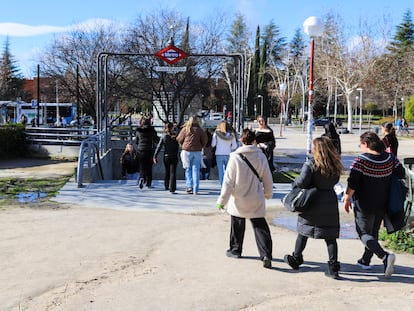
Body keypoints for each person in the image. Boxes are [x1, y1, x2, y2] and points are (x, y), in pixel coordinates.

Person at [343, 131, 405, 278]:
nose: (360, 147)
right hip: (383, 203)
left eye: (361, 144)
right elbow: (401, 172)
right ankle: (365, 260)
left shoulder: (361, 160)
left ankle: (384, 256)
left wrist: (347, 198)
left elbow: (353, 182)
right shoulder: (390, 158)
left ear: (366, 144)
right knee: (374, 232)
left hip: (364, 204)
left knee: (363, 234)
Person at [284, 136, 344, 279]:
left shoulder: (311, 164)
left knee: (303, 230)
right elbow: (335, 180)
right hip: (329, 200)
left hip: (311, 199)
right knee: (330, 235)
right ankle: (333, 267)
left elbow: (303, 182)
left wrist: (295, 183)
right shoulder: (335, 164)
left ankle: (296, 258)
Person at [216, 128, 274, 269]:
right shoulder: (261, 157)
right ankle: (266, 254)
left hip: (239, 197)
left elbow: (228, 182)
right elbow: (267, 178)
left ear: (241, 140)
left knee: (237, 223)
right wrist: (268, 193)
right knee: (260, 226)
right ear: (255, 141)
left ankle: (235, 250)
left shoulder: (235, 157)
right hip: (256, 196)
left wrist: (221, 201)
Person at [176, 116, 208, 195]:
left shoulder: (185, 129)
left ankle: (189, 186)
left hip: (187, 151)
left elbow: (178, 138)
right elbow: (205, 140)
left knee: (188, 169)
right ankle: (196, 189)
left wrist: (182, 144)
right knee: (196, 170)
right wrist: (201, 146)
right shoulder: (200, 130)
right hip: (197, 151)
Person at [153, 122, 179, 194]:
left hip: (166, 156)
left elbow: (159, 146)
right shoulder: (175, 136)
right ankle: (172, 188)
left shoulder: (164, 136)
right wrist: (176, 128)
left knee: (167, 171)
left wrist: (155, 155)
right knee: (173, 172)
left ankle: (166, 185)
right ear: (172, 128)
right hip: (174, 156)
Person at [135, 117, 159, 189]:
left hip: (140, 150)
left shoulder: (138, 131)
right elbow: (156, 139)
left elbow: (136, 141)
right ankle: (148, 183)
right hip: (149, 150)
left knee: (142, 166)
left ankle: (142, 178)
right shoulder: (152, 130)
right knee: (149, 167)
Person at [211, 121, 238, 185]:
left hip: (219, 153)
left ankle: (222, 185)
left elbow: (213, 144)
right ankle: (228, 184)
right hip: (228, 153)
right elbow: (235, 146)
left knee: (221, 171)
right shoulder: (231, 134)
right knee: (228, 171)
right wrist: (229, 148)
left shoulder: (216, 134)